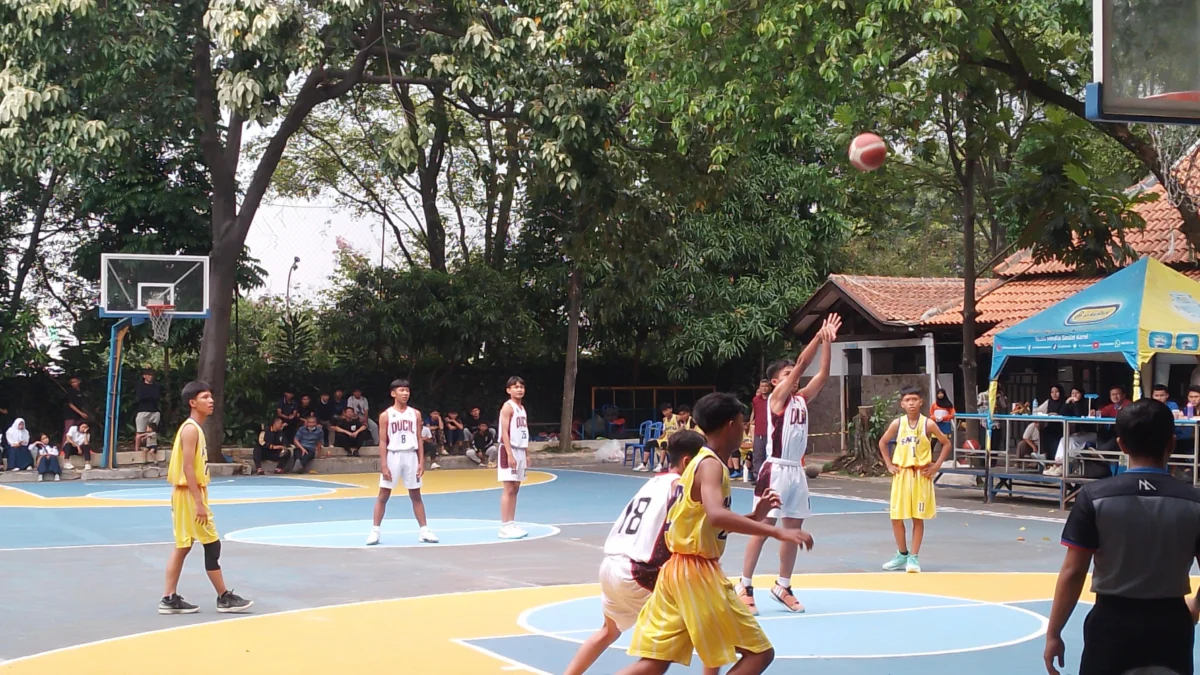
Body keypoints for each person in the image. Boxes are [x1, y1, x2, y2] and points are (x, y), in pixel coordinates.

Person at [618, 392, 813, 675]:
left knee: (656, 662)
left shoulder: (699, 462)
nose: (746, 429)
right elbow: (717, 515)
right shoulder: (710, 465)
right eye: (743, 422)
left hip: (676, 571)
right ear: (731, 425)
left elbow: (708, 523)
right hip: (696, 573)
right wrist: (780, 534)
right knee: (759, 653)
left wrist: (754, 516)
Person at [1044, 399, 1200, 675]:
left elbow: (1073, 571)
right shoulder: (1194, 501)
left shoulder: (1095, 497)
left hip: (1112, 621)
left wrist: (1054, 633)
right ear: (1172, 443)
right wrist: (1194, 609)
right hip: (1172, 622)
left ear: (1121, 444)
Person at [564, 431, 722, 675]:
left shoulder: (654, 481)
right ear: (688, 462)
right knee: (704, 631)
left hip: (612, 564)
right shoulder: (682, 489)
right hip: (641, 573)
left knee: (608, 631)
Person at [736, 313, 840, 615]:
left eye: (793, 374)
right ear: (775, 382)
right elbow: (806, 365)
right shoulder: (777, 399)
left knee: (792, 529)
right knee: (764, 526)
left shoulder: (801, 399)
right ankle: (745, 583)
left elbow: (821, 374)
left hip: (796, 471)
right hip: (775, 468)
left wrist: (828, 343)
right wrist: (818, 337)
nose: (793, 376)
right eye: (788, 374)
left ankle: (783, 584)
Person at [159, 381, 252, 615]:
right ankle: (224, 597)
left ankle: (169, 598)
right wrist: (199, 503)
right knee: (212, 544)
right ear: (193, 403)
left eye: (211, 397)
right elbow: (188, 468)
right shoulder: (191, 429)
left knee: (184, 545)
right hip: (189, 495)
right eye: (205, 397)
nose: (211, 401)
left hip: (187, 494)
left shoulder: (194, 428)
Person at [877, 386, 952, 573]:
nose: (911, 403)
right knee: (896, 517)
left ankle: (914, 557)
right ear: (902, 403)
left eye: (914, 399)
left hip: (920, 474)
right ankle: (902, 553)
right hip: (902, 474)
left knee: (917, 518)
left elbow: (946, 443)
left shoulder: (928, 424)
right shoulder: (897, 424)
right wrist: (888, 464)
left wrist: (936, 466)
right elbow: (882, 442)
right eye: (907, 400)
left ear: (921, 402)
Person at [367, 380, 437, 546]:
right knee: (383, 494)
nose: (405, 393)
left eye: (407, 390)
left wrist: (421, 461)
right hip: (394, 455)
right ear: (393, 393)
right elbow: (383, 441)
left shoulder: (415, 414)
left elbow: (419, 438)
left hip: (411, 455)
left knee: (416, 494)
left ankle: (424, 530)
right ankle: (375, 530)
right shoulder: (386, 415)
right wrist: (384, 464)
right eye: (401, 390)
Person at [497, 376, 530, 540]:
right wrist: (509, 454)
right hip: (509, 449)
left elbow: (523, 431)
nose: (519, 389)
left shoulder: (522, 408)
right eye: (515, 387)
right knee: (508, 487)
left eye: (521, 386)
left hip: (520, 449)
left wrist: (527, 452)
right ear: (508, 390)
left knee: (516, 487)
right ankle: (504, 525)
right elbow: (504, 432)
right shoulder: (507, 407)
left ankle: (511, 522)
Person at [750, 380, 771, 481]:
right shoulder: (756, 400)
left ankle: (769, 476)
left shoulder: (772, 399)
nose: (764, 388)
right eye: (762, 386)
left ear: (770, 387)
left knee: (770, 455)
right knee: (758, 454)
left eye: (766, 386)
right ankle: (757, 476)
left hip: (770, 431)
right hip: (759, 431)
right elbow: (754, 412)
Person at [134, 369, 162, 441]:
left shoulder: (156, 386)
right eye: (149, 375)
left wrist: (149, 396)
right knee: (140, 432)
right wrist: (150, 396)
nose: (151, 377)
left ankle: (151, 447)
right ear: (144, 376)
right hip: (143, 411)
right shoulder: (140, 385)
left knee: (152, 432)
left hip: (155, 411)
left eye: (152, 375)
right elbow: (141, 397)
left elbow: (157, 397)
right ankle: (137, 449)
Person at [62, 376, 89, 445]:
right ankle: (64, 448)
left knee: (80, 430)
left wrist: (84, 413)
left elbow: (80, 405)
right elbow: (70, 404)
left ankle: (80, 446)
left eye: (75, 382)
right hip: (70, 415)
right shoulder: (70, 391)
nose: (74, 384)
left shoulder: (80, 392)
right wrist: (81, 413)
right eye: (72, 383)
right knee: (68, 431)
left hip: (78, 416)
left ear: (79, 381)